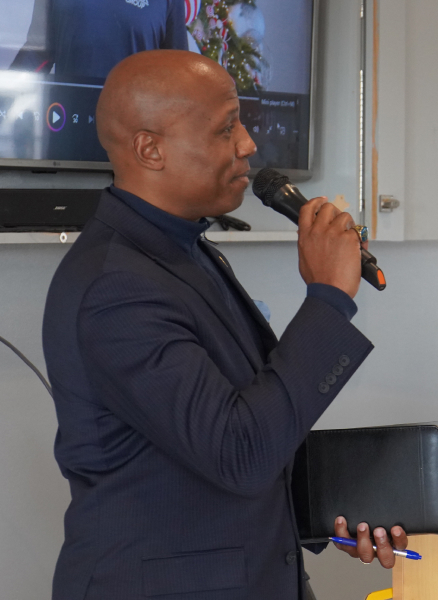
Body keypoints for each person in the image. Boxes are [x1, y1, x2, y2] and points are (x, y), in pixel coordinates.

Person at [42, 50, 407, 600]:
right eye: (226, 128)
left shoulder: (185, 250)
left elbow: (240, 422)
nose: (248, 145)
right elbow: (240, 452)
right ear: (150, 149)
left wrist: (338, 509)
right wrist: (330, 298)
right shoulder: (115, 286)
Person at [10, 0, 188, 80]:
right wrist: (5, 101)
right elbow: (36, 55)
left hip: (136, 130)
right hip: (70, 119)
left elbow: (178, 72)